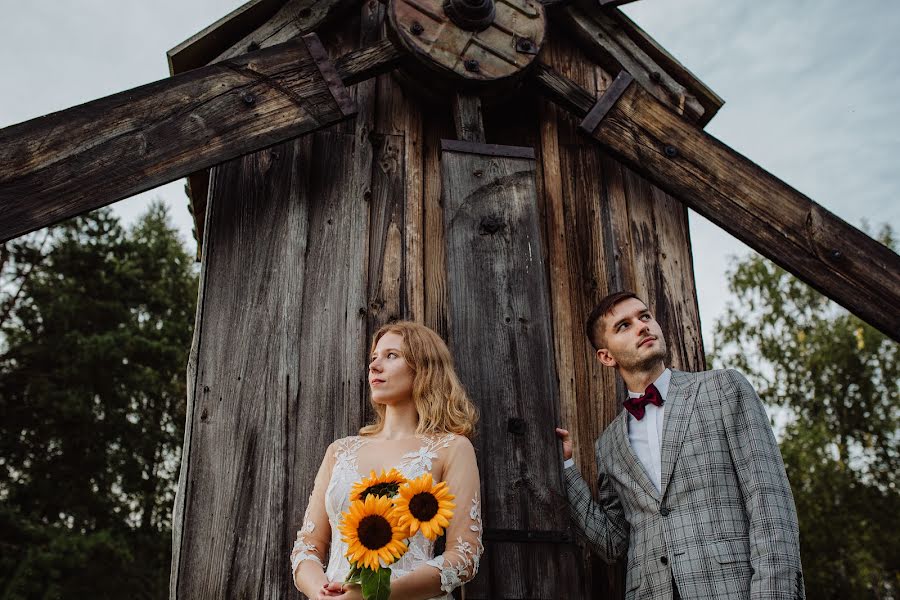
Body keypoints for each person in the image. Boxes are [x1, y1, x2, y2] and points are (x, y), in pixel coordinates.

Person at [556, 291, 804, 600]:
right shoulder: (609, 444)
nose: (642, 326)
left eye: (645, 317)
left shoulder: (723, 389)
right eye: (624, 325)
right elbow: (612, 542)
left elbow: (770, 505)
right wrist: (566, 468)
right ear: (607, 356)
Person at [291, 321, 483, 599]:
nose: (374, 366)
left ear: (424, 367)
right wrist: (319, 592)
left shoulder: (451, 448)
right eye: (374, 358)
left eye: (391, 355)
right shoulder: (340, 451)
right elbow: (308, 544)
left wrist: (371, 594)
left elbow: (465, 554)